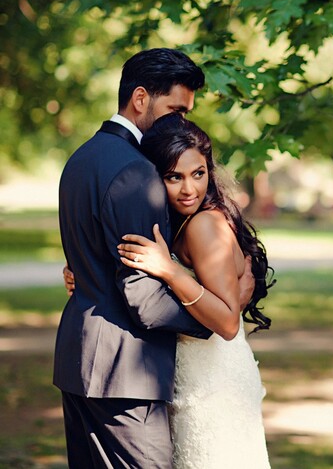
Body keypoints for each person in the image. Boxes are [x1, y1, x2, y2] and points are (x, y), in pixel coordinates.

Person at [56, 48, 256, 468]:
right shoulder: (135, 171)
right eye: (175, 111)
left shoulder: (82, 158)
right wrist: (221, 312)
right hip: (124, 374)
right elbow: (143, 296)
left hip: (79, 360)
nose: (180, 123)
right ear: (141, 99)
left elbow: (93, 255)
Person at [116, 113, 273, 468]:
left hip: (216, 386)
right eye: (175, 177)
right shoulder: (182, 222)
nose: (189, 189)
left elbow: (228, 323)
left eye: (198, 174)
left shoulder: (203, 224)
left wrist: (171, 271)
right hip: (197, 378)